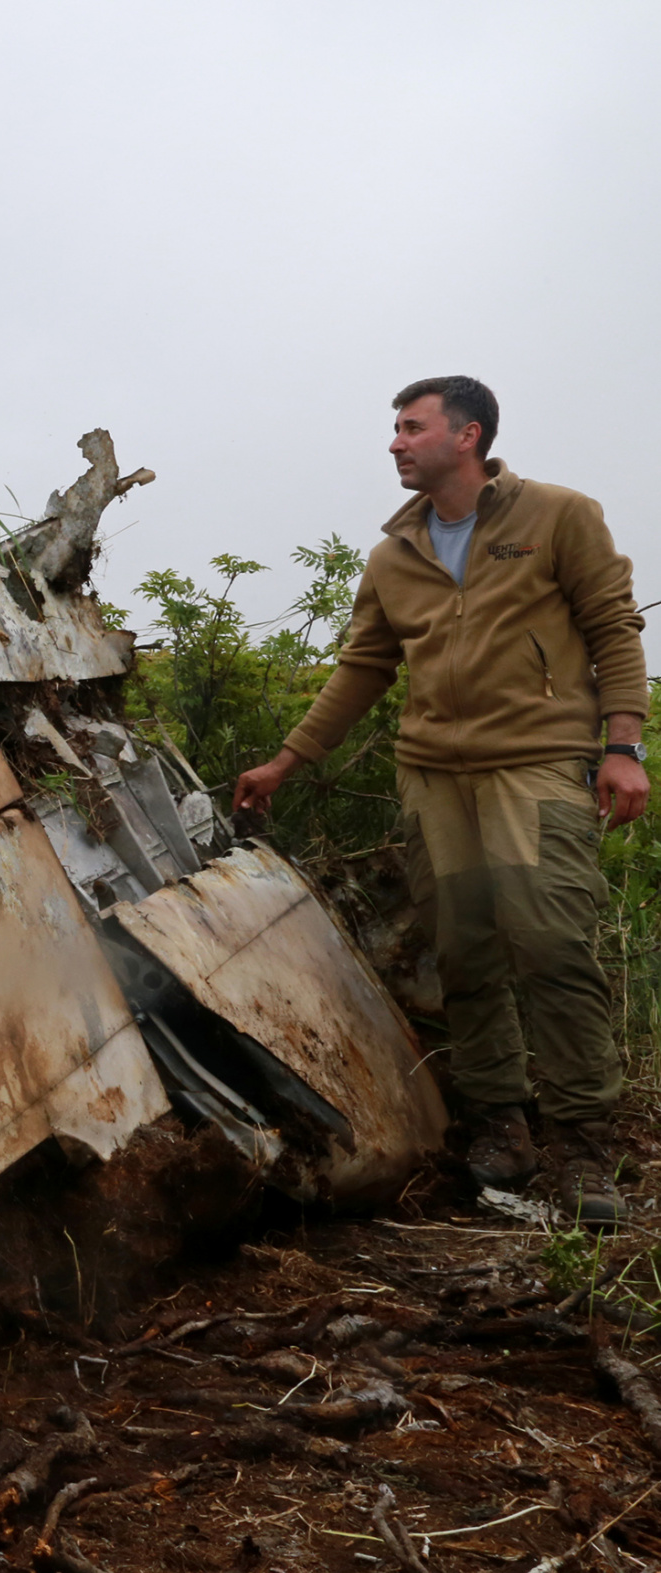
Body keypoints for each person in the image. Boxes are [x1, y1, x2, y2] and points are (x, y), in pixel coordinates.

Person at [233, 376, 649, 1225]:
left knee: (550, 941)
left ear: (468, 436)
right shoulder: (393, 554)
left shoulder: (558, 517)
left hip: (534, 763)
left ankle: (580, 1143)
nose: (394, 442)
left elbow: (613, 627)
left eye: (410, 428)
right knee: (462, 954)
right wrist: (286, 760)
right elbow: (362, 667)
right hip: (432, 775)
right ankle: (499, 1126)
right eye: (393, 429)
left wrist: (622, 747)